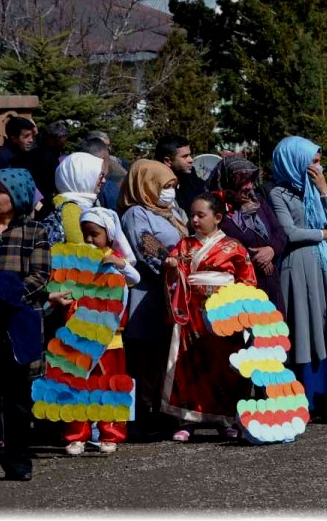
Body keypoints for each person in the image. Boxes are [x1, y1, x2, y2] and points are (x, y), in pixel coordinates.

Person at [162, 194, 257, 442]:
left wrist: (240, 307)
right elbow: (176, 273)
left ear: (217, 217)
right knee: (191, 364)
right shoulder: (184, 245)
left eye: (200, 215)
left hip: (224, 314)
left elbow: (247, 280)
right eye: (192, 215)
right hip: (192, 311)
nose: (194, 220)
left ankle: (225, 419)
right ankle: (188, 419)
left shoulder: (234, 247)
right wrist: (172, 268)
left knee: (224, 366)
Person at [269, 136, 327, 415]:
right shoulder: (278, 193)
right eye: (313, 162)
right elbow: (289, 232)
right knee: (307, 323)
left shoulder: (316, 188)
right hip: (300, 266)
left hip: (325, 265)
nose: (318, 167)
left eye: (319, 161)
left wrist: (324, 190)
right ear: (296, 162)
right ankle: (308, 396)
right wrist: (322, 235)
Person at [0, 169, 51, 480]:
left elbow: (40, 277)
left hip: (18, 325)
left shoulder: (34, 231)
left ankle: (17, 462)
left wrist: (3, 300)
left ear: (17, 195)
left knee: (17, 399)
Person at [120, 159, 190, 438]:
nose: (170, 191)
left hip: (172, 293)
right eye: (164, 186)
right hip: (148, 294)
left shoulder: (172, 212)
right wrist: (176, 263)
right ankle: (142, 417)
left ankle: (165, 412)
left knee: (164, 357)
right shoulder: (136, 214)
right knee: (145, 358)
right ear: (146, 185)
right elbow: (146, 247)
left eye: (173, 185)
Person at [63, 207, 140, 455]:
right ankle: (77, 435)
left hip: (110, 337)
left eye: (94, 234)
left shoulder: (115, 259)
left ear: (109, 234)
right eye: (85, 233)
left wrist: (119, 263)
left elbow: (134, 278)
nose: (89, 239)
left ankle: (110, 433)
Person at [205, 155, 287, 314]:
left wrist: (271, 250)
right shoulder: (217, 211)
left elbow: (280, 233)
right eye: (243, 181)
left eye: (251, 180)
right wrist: (255, 258)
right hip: (240, 287)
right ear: (229, 182)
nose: (249, 186)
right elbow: (218, 246)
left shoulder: (258, 201)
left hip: (270, 284)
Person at [43, 151, 108, 247]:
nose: (104, 181)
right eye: (100, 176)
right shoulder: (71, 210)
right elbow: (81, 249)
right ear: (84, 177)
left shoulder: (82, 204)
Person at [156, 135, 205, 219]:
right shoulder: (155, 190)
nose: (191, 160)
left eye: (190, 155)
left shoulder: (197, 184)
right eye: (185, 156)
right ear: (167, 161)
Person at [27, 121, 69, 213]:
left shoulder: (51, 153)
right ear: (57, 137)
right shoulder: (45, 156)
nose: (66, 139)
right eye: (65, 136)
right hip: (44, 200)